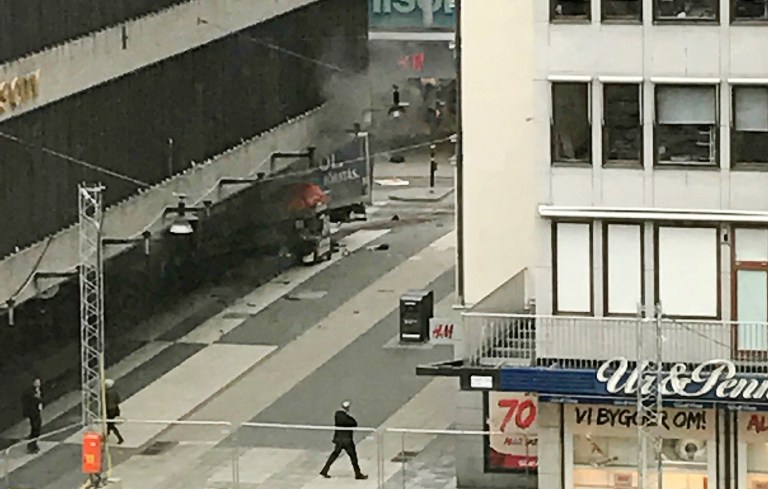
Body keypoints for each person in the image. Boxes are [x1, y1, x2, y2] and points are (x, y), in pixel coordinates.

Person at [319, 400, 367, 480]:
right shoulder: (346, 418)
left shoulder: (337, 415)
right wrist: (350, 417)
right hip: (347, 440)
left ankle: (325, 470)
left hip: (339, 440)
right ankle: (358, 474)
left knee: (334, 455)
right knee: (353, 457)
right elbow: (354, 423)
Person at [21, 376, 43, 454]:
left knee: (37, 427)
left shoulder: (38, 390)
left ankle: (33, 443)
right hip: (32, 412)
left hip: (37, 411)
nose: (39, 384)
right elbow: (28, 400)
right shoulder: (29, 392)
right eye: (37, 382)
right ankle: (32, 444)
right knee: (35, 427)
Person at [104, 379, 124, 445]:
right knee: (109, 424)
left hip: (109, 410)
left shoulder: (106, 393)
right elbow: (118, 400)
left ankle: (120, 438)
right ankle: (106, 435)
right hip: (114, 409)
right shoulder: (114, 392)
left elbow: (105, 403)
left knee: (110, 424)